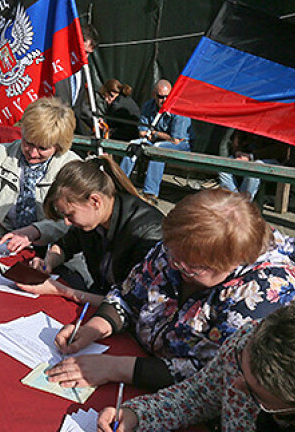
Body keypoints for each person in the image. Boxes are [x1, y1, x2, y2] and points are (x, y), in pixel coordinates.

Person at [46, 189, 295, 393]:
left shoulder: (260, 295)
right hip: (138, 364)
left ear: (232, 263)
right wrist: (95, 327)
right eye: (173, 255)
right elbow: (129, 294)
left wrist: (119, 368)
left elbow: (216, 375)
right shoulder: (178, 250)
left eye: (191, 268)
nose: (175, 265)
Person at [98, 303, 295, 432]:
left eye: (254, 394)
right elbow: (200, 395)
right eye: (239, 366)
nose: (235, 384)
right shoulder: (248, 340)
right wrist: (137, 415)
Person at [20, 155, 163, 304]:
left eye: (70, 215)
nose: (67, 222)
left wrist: (60, 290)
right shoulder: (94, 219)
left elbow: (131, 302)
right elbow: (64, 245)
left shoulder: (146, 232)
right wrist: (48, 263)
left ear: (95, 201)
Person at [0, 96, 80, 253]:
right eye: (28, 143)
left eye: (42, 148)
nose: (32, 153)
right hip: (1, 241)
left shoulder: (71, 167)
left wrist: (34, 231)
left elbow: (70, 220)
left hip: (51, 249)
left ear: (59, 146)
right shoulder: (3, 153)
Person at [120, 79, 194, 204]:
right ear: (154, 95)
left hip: (181, 144)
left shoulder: (179, 110)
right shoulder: (148, 106)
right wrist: (150, 134)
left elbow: (176, 139)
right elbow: (142, 131)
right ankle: (119, 183)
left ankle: (150, 193)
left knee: (158, 150)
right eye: (160, 97)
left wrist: (155, 134)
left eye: (167, 97)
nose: (164, 100)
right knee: (134, 145)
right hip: (155, 140)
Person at [218, 129, 289, 201]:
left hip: (271, 159)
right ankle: (234, 200)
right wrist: (237, 152)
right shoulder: (249, 120)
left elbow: (278, 150)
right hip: (245, 155)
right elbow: (237, 138)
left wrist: (251, 156)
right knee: (224, 166)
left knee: (255, 167)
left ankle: (245, 202)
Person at [54, 23, 99, 136]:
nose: (85, 57)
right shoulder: (57, 66)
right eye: (84, 52)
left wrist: (94, 119)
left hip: (70, 130)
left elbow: (79, 104)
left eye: (89, 54)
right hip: (53, 128)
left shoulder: (83, 70)